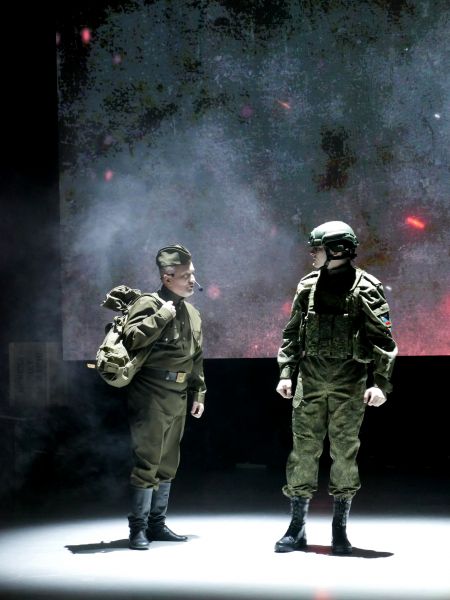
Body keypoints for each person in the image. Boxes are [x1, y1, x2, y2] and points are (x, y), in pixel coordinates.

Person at [274, 221, 397, 555]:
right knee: (303, 452)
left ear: (337, 249)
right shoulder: (307, 286)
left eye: (317, 248)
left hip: (348, 382)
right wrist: (286, 373)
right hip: (310, 380)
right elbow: (292, 332)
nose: (312, 254)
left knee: (344, 454)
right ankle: (296, 527)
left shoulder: (366, 288)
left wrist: (381, 383)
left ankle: (339, 530)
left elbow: (383, 340)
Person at [121, 244, 206, 550]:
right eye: (185, 276)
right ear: (167, 277)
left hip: (178, 394)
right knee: (147, 460)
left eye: (192, 274)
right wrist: (161, 316)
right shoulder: (149, 304)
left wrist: (199, 393)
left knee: (169, 462)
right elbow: (131, 339)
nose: (192, 280)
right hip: (150, 393)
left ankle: (157, 524)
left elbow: (196, 357)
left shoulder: (193, 313)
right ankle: (138, 528)